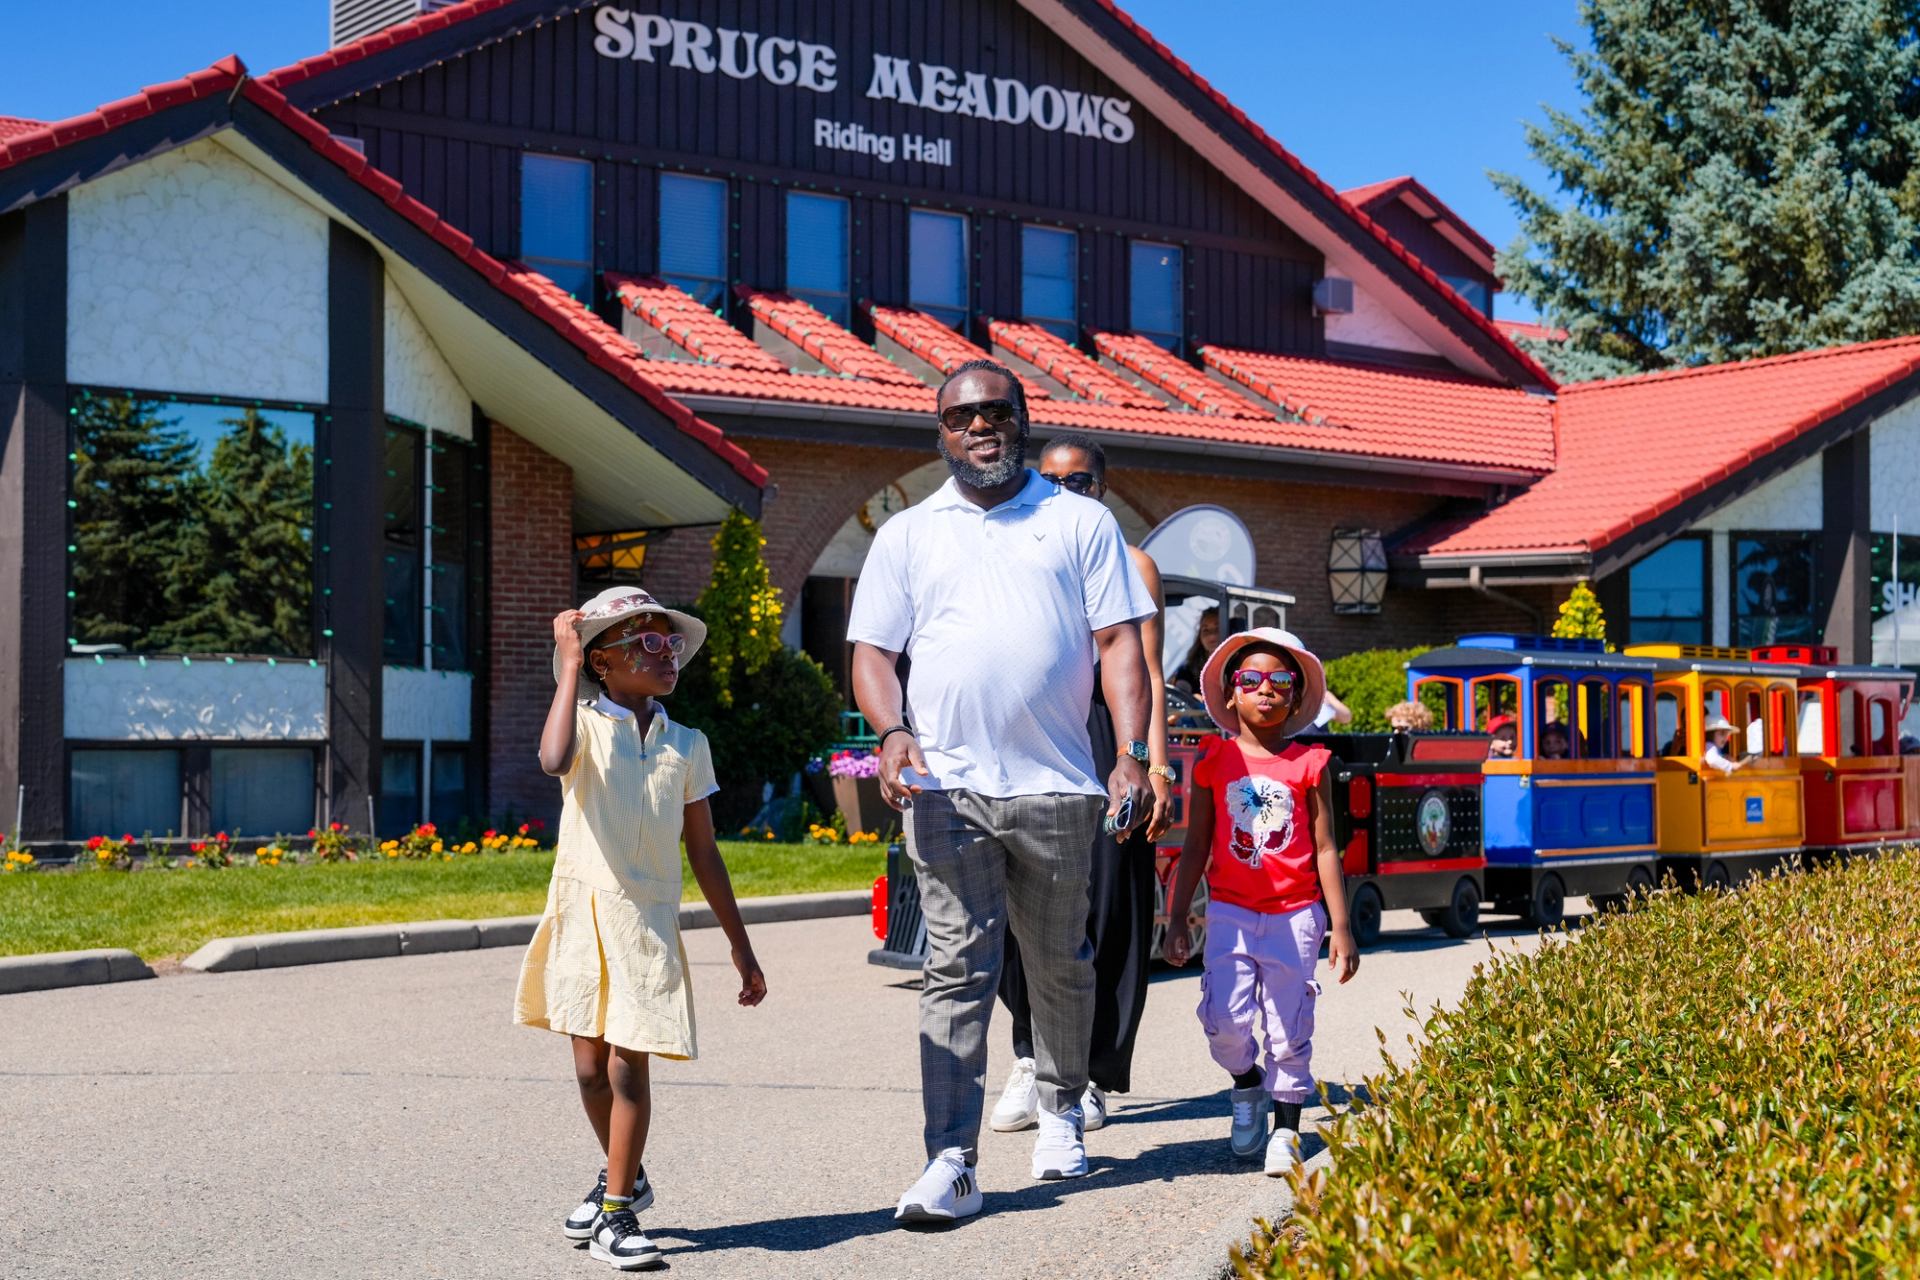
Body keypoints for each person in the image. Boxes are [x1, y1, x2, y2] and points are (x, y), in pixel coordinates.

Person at [848, 359, 1154, 1224]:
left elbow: (1121, 647)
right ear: (941, 433)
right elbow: (873, 651)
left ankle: (1062, 1109)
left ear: (1022, 418)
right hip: (947, 788)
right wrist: (891, 729)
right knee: (955, 969)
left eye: (997, 411)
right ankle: (952, 1157)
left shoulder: (1079, 520)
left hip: (1059, 785)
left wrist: (1131, 752)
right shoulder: (908, 534)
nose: (981, 426)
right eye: (962, 416)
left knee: (1062, 963)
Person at [515, 588, 768, 1271]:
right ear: (603, 662)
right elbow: (551, 757)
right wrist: (566, 666)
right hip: (583, 918)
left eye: (671, 644)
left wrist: (739, 947)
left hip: (647, 928)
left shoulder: (687, 745)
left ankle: (618, 1212)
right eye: (646, 643)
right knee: (590, 1070)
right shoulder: (585, 726)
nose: (666, 655)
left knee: (629, 1070)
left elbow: (704, 852)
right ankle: (625, 1175)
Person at [990, 433, 1173, 1136]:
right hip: (1030, 738)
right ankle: (1030, 1053)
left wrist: (1155, 767)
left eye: (1082, 483)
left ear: (1103, 488)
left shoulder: (1132, 564)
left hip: (1105, 738)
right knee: (1014, 909)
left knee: (1105, 909)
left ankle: (1090, 1075)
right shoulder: (1012, 555)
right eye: (1053, 480)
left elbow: (1149, 672)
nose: (1066, 493)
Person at [1162, 628, 1359, 1176]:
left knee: (1288, 1024)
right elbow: (1196, 843)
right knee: (1224, 1021)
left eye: (1281, 680)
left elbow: (1325, 846)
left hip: (1296, 915)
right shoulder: (1213, 758)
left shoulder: (1311, 763)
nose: (1265, 689)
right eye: (1251, 679)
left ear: (1296, 697)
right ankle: (1246, 1083)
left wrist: (1340, 926)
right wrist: (1178, 916)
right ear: (1231, 694)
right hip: (1229, 912)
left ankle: (1287, 1128)